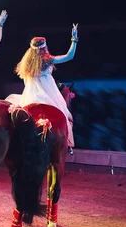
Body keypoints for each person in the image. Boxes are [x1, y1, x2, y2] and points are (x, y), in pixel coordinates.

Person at [6, 24, 78, 154]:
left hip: (31, 94)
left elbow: (25, 81)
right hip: (49, 93)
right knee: (64, 114)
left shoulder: (26, 63)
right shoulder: (47, 60)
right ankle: (67, 145)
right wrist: (74, 40)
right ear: (44, 47)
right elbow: (69, 56)